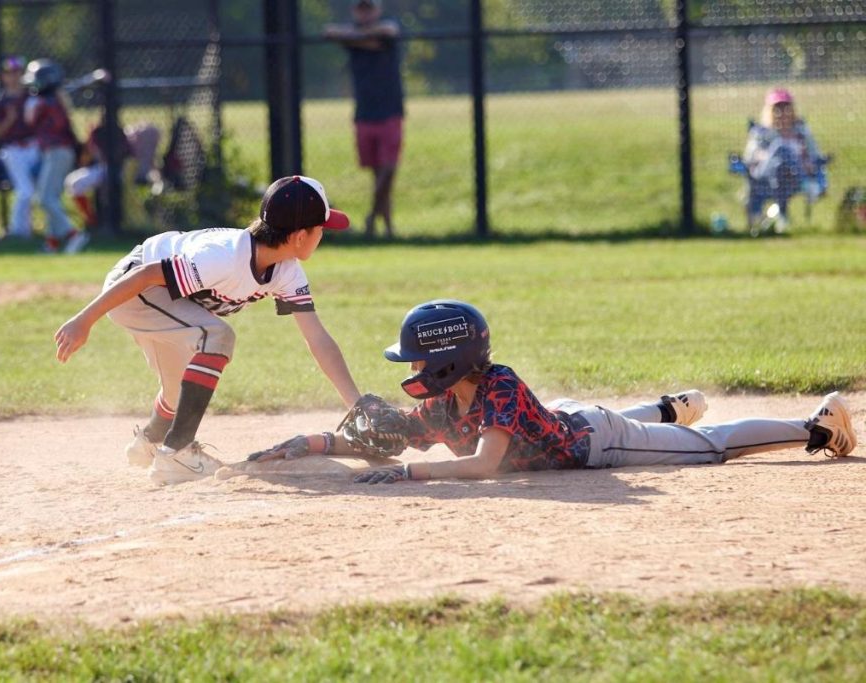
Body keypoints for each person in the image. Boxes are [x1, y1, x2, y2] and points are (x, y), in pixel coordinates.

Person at [248, 300, 857, 483]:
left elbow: (487, 463)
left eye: (419, 358)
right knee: (574, 418)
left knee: (709, 446)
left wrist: (412, 476)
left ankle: (819, 426)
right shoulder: (443, 402)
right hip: (564, 421)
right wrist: (316, 441)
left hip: (598, 444)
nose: (410, 369)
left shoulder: (500, 385)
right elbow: (382, 438)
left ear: (450, 360)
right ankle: (671, 407)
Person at [54, 175, 365, 485]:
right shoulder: (224, 256)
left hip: (160, 297)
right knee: (217, 336)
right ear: (299, 237)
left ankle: (150, 443)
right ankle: (178, 453)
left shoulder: (286, 271)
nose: (323, 233)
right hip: (133, 290)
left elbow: (317, 338)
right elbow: (147, 275)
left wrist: (357, 405)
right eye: (320, 228)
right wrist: (85, 319)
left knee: (180, 389)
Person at [324, 0, 404, 239]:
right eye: (361, 8)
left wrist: (357, 38)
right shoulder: (352, 38)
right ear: (354, 11)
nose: (365, 12)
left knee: (389, 169)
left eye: (369, 8)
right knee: (378, 173)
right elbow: (328, 31)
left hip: (390, 110)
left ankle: (372, 215)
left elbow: (389, 31)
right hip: (365, 113)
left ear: (377, 11)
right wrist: (363, 39)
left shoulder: (386, 32)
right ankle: (387, 229)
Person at [23, 59, 88, 254]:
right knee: (51, 198)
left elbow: (29, 119)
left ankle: (73, 234)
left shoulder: (47, 103)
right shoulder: (53, 100)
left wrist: (36, 103)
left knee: (44, 198)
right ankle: (52, 242)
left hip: (57, 152)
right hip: (56, 152)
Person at [741, 88, 825, 232]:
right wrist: (762, 155)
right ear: (769, 111)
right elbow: (749, 159)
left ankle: (782, 216)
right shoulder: (761, 133)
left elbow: (815, 156)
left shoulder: (801, 132)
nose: (782, 113)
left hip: (795, 178)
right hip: (765, 178)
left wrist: (810, 164)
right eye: (777, 108)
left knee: (783, 158)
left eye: (786, 108)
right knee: (780, 149)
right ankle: (781, 217)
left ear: (792, 110)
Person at [0, 56, 37, 238]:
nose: (14, 77)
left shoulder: (32, 97)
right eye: (9, 73)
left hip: (34, 148)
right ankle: (18, 231)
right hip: (13, 150)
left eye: (17, 72)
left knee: (39, 191)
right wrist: (10, 118)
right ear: (3, 76)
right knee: (25, 191)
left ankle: (30, 232)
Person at [64, 116, 132, 229]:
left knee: (76, 182)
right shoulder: (97, 131)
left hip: (116, 169)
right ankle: (91, 219)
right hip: (100, 167)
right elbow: (89, 155)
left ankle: (95, 221)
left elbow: (127, 153)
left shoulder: (119, 133)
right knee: (72, 181)